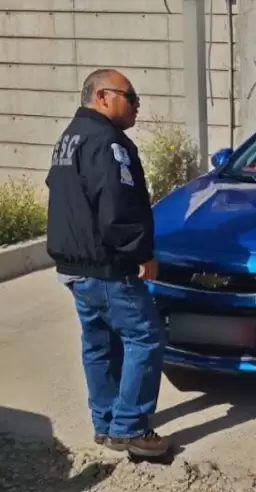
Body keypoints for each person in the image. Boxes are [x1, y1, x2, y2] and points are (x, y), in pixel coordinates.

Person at [45, 69, 171, 457]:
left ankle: (105, 422)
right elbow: (118, 205)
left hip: (75, 265)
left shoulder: (71, 137)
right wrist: (142, 254)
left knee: (99, 343)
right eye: (130, 98)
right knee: (145, 337)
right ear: (103, 96)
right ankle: (129, 428)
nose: (136, 106)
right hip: (105, 265)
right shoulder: (107, 141)